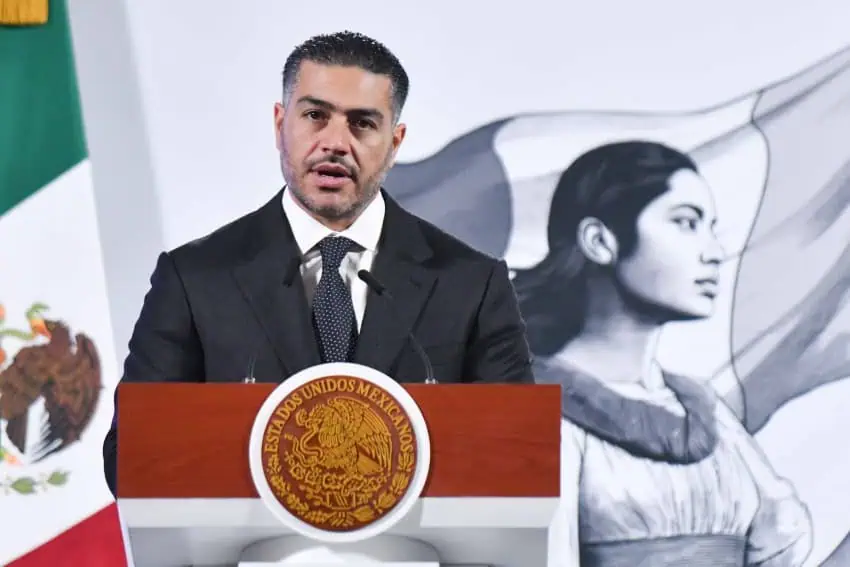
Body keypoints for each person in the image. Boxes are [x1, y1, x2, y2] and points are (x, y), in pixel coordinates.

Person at [102, 31, 533, 497]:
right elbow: (130, 458)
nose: (334, 143)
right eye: (315, 116)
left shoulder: (470, 283)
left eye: (362, 123)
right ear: (279, 124)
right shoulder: (195, 278)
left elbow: (517, 461)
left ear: (395, 142)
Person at [511, 141, 812, 566]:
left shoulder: (704, 409)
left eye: (711, 227)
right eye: (686, 223)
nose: (713, 252)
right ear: (600, 241)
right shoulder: (525, 406)